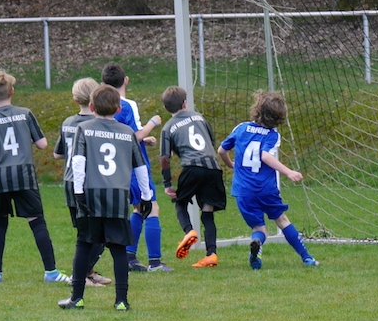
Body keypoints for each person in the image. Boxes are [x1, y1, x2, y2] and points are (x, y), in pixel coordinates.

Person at [58, 84, 153, 310]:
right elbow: (140, 167)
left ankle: (77, 298)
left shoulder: (84, 128)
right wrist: (146, 196)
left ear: (91, 107)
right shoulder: (127, 132)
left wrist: (78, 192)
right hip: (117, 196)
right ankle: (121, 301)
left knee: (84, 244)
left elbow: (78, 162)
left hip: (91, 194)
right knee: (118, 249)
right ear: (119, 108)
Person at [0, 70, 69, 283]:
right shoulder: (25, 114)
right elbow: (43, 144)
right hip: (24, 175)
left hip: (0, 177)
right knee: (36, 221)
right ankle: (51, 272)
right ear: (12, 91)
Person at [218, 90, 319, 270]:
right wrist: (288, 172)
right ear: (279, 118)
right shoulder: (272, 135)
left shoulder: (241, 128)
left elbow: (221, 150)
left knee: (259, 228)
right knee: (282, 220)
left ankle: (257, 243)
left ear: (257, 109)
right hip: (265, 189)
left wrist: (230, 164)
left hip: (243, 190)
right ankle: (307, 258)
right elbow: (265, 156)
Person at [101, 62, 171, 272]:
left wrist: (144, 139)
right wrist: (152, 123)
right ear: (126, 80)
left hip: (116, 167)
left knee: (138, 208)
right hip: (135, 166)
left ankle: (129, 257)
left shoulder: (102, 106)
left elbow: (121, 135)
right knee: (152, 208)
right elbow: (134, 136)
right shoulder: (126, 104)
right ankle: (155, 262)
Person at [159, 86, 226, 268]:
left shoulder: (168, 127)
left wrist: (167, 183)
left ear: (166, 108)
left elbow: (165, 158)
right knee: (207, 211)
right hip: (213, 168)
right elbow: (211, 142)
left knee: (180, 202)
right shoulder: (200, 117)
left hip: (192, 168)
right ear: (185, 103)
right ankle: (211, 254)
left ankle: (189, 231)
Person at [54, 77, 112, 288]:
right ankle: (80, 275)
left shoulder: (68, 123)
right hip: (89, 184)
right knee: (100, 232)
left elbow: (58, 154)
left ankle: (87, 272)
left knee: (84, 231)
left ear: (75, 99)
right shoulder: (97, 125)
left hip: (70, 182)